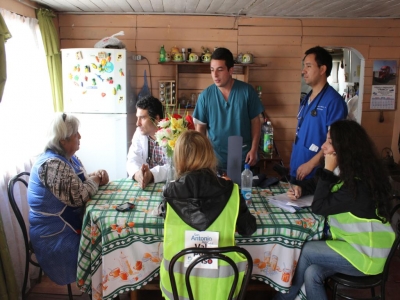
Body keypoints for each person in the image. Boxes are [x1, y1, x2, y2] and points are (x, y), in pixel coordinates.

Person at [273, 119, 395, 300]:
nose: (323, 146)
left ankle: (283, 298)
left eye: (329, 142)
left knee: (306, 251)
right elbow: (316, 184)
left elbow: (319, 207)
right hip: (352, 246)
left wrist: (328, 170)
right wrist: (301, 188)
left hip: (367, 254)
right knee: (312, 273)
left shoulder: (358, 186)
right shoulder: (347, 170)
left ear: (343, 148)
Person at [160, 130, 257, 299]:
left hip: (179, 289)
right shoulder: (231, 191)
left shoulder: (169, 193)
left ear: (179, 158)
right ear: (209, 155)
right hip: (221, 290)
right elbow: (248, 228)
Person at [28, 112, 109, 286]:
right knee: (105, 244)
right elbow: (79, 196)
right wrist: (95, 180)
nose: (80, 136)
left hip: (68, 226)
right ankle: (102, 288)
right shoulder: (52, 165)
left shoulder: (68, 159)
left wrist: (96, 176)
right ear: (62, 140)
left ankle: (107, 286)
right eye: (75, 134)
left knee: (107, 237)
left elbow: (80, 183)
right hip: (54, 237)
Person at [193, 47, 264, 172]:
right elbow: (200, 129)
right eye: (212, 70)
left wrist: (254, 149)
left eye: (220, 70)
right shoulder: (205, 96)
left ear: (231, 70)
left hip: (244, 158)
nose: (215, 75)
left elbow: (256, 122)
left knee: (244, 190)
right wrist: (202, 157)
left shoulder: (247, 91)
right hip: (215, 160)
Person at [290, 46, 348, 184]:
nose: (303, 71)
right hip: (297, 168)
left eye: (309, 66)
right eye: (304, 66)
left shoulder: (334, 102)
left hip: (315, 175)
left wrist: (311, 164)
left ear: (322, 69)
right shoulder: (307, 98)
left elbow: (335, 142)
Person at [126, 95, 168, 189]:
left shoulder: (172, 135)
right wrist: (138, 174)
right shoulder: (139, 133)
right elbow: (132, 159)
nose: (137, 123)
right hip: (146, 186)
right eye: (137, 118)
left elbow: (175, 167)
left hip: (169, 187)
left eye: (142, 118)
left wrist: (152, 174)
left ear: (156, 119)